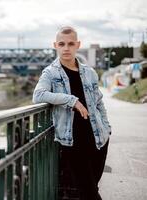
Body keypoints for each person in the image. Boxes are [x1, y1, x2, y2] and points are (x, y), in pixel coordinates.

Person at [32, 26, 111, 200]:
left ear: (77, 45)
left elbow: (99, 102)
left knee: (91, 189)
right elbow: (38, 95)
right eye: (62, 44)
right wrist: (71, 100)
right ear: (55, 45)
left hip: (99, 139)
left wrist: (107, 127)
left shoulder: (90, 73)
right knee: (89, 192)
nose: (66, 48)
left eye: (70, 44)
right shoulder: (51, 73)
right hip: (73, 143)